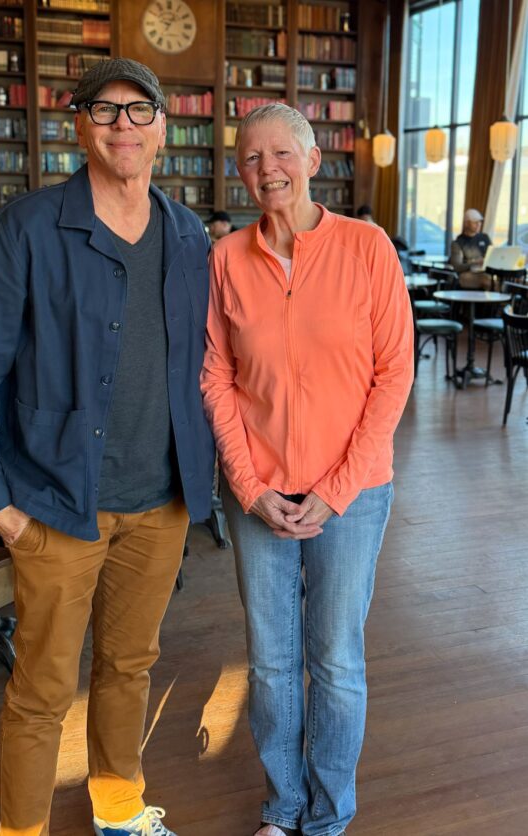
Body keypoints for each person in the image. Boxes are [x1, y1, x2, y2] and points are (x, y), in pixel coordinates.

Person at [0, 58, 214, 836]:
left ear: (164, 126)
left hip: (158, 505)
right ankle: (20, 831)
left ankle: (118, 809)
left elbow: (204, 369)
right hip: (55, 506)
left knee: (129, 669)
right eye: (104, 111)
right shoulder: (23, 229)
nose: (122, 126)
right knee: (41, 691)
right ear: (79, 126)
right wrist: (2, 511)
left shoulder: (188, 236)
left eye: (139, 111)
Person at [201, 103, 414, 836]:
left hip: (350, 494)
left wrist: (335, 489)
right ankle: (282, 807)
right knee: (269, 665)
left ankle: (326, 820)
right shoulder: (226, 259)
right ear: (239, 172)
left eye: (280, 153)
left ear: (312, 159)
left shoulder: (366, 247)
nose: (267, 170)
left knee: (335, 661)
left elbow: (393, 375)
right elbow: (214, 378)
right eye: (251, 159)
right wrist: (250, 488)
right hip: (258, 494)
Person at [449, 208, 492, 289]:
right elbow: (457, 267)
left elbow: (493, 254)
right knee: (487, 280)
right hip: (466, 274)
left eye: (479, 222)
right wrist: (475, 262)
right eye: (475, 222)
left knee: (503, 280)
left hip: (485, 271)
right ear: (466, 224)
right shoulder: (458, 243)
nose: (478, 224)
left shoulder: (485, 238)